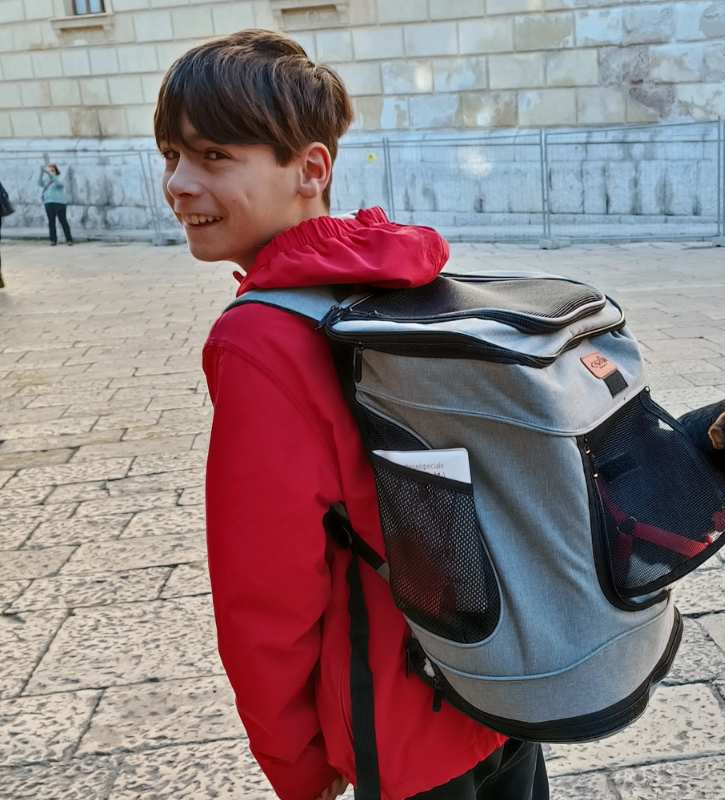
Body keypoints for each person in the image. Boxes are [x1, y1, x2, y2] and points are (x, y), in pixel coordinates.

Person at [154, 30, 546, 800]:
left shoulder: (259, 337)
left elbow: (266, 595)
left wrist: (296, 766)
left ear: (311, 169)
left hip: (397, 724)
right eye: (170, 155)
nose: (178, 184)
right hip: (502, 682)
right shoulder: (404, 277)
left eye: (212, 156)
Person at [39, 164, 73, 246]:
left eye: (52, 170)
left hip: (60, 203)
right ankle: (53, 240)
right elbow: (40, 183)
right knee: (51, 222)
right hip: (48, 203)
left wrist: (50, 175)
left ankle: (69, 239)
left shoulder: (60, 178)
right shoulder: (47, 180)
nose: (50, 172)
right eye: (49, 170)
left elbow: (59, 184)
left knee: (63, 221)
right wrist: (41, 173)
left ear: (56, 171)